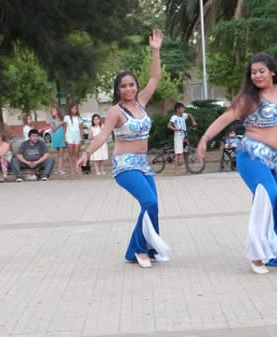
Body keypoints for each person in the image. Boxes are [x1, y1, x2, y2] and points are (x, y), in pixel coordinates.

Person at [197, 7, 277, 274]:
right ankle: (256, 255)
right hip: (251, 156)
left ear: (272, 72)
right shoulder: (248, 99)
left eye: (262, 71)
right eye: (253, 72)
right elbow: (226, 118)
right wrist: (205, 138)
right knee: (267, 195)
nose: (257, 75)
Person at [77, 29, 168, 268]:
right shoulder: (116, 111)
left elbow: (155, 79)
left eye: (131, 85)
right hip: (125, 165)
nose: (128, 89)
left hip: (143, 164)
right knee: (148, 202)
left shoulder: (142, 102)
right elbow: (103, 135)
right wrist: (86, 153)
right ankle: (140, 250)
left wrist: (155, 51)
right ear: (118, 89)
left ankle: (138, 249)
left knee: (154, 205)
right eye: (123, 86)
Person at [167, 102, 197, 174]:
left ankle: (187, 169)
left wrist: (193, 121)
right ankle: (175, 171)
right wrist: (175, 129)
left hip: (184, 135)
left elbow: (189, 114)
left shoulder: (183, 116)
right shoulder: (174, 117)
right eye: (182, 108)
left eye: (183, 108)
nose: (183, 110)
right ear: (177, 110)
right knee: (178, 153)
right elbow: (169, 125)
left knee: (186, 152)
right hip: (178, 136)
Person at [64, 104, 85, 174]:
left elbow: (81, 129)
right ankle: (72, 169)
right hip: (69, 137)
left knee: (76, 153)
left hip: (77, 137)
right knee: (70, 153)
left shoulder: (79, 118)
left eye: (76, 109)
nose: (74, 110)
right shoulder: (67, 117)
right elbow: (65, 128)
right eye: (73, 109)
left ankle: (77, 168)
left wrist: (81, 138)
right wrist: (65, 138)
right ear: (70, 109)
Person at [49, 106, 67, 175]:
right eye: (52, 111)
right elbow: (53, 130)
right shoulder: (52, 121)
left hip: (61, 138)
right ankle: (59, 169)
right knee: (59, 155)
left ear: (57, 111)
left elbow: (65, 130)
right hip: (56, 138)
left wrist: (65, 138)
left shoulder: (62, 120)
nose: (53, 112)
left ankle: (60, 169)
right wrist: (60, 124)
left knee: (61, 154)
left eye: (54, 111)